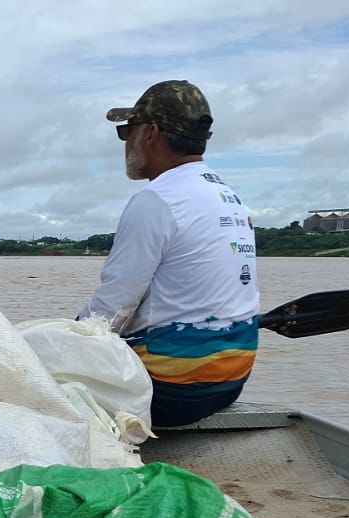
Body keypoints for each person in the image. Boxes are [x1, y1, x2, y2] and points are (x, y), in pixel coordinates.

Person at [78, 80, 260, 428]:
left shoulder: (157, 200)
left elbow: (110, 311)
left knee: (41, 366)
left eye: (126, 131)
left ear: (150, 133)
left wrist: (60, 344)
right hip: (229, 384)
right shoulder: (228, 195)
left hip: (169, 393)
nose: (125, 143)